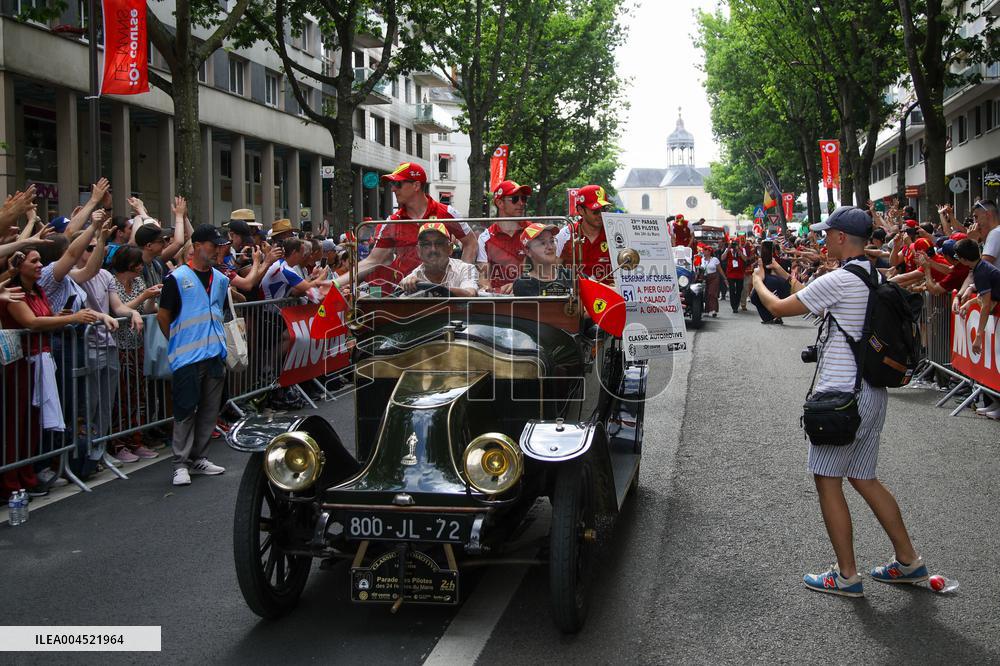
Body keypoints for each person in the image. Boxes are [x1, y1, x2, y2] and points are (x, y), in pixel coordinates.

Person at [752, 205, 928, 598]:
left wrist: (760, 281)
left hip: (843, 398)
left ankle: (847, 575)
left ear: (841, 238)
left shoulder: (841, 279)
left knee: (827, 479)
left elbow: (779, 307)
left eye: (827, 233)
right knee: (863, 476)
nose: (822, 239)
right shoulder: (870, 275)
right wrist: (784, 276)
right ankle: (908, 561)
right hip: (872, 395)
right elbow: (810, 299)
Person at [1, 248, 102, 496]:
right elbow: (31, 322)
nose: (39, 265)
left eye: (39, 261)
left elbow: (43, 317)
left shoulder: (38, 290)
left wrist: (60, 317)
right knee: (16, 423)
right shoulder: (13, 292)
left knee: (32, 423)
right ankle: (10, 482)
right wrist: (72, 319)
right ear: (19, 265)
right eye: (34, 261)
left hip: (41, 361)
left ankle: (27, 474)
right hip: (20, 364)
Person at [156, 224, 230, 487]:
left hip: (214, 355)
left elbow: (219, 313)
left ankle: (199, 457)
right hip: (188, 356)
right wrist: (178, 342)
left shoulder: (221, 280)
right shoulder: (176, 279)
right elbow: (163, 317)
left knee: (210, 410)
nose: (217, 250)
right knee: (185, 410)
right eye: (213, 245)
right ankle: (180, 463)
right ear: (197, 246)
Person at [345, 162, 477, 289]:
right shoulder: (392, 222)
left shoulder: (447, 213)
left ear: (416, 185)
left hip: (445, 293)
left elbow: (471, 242)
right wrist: (335, 283)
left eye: (398, 184)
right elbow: (373, 260)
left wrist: (462, 280)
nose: (393, 189)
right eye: (392, 184)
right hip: (407, 296)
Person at [478, 180, 532, 292]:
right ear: (499, 203)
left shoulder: (533, 230)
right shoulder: (485, 237)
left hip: (529, 295)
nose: (521, 203)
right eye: (515, 199)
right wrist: (490, 291)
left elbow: (546, 268)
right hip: (499, 300)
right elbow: (484, 278)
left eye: (524, 198)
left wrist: (520, 285)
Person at [398, 223, 478, 297]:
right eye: (426, 244)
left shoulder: (466, 269)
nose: (433, 249)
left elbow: (470, 293)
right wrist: (405, 285)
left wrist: (433, 288)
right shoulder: (412, 278)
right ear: (418, 251)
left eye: (439, 243)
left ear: (450, 248)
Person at [556, 184, 613, 282]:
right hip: (576, 295)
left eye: (604, 209)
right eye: (595, 211)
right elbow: (554, 268)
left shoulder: (614, 233)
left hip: (607, 294)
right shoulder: (566, 234)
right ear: (580, 210)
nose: (601, 215)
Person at [512, 223, 572, 296]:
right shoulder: (524, 284)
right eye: (542, 243)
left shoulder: (570, 275)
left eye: (552, 241)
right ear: (527, 251)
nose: (550, 247)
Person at [721, 241, 746, 313]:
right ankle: (734, 307)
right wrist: (728, 249)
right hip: (731, 273)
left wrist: (738, 250)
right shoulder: (728, 250)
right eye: (733, 245)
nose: (734, 246)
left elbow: (745, 259)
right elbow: (722, 258)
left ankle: (737, 304)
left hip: (740, 273)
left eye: (735, 244)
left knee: (739, 290)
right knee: (732, 290)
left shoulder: (742, 250)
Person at [701, 245, 721, 317]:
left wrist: (725, 279)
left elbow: (720, 269)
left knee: (712, 293)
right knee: (706, 294)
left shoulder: (715, 259)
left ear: (710, 251)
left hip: (714, 277)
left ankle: (713, 310)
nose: (704, 251)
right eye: (704, 249)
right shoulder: (702, 259)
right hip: (705, 277)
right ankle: (707, 310)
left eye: (706, 250)